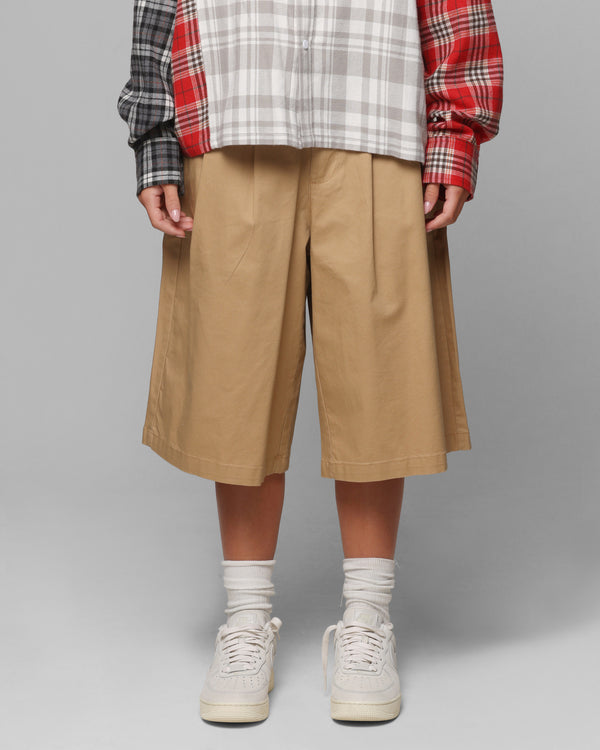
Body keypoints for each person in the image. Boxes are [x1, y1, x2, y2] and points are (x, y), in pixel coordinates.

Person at [117, 0, 503, 724]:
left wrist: (454, 137)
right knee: (234, 371)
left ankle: (368, 618)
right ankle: (245, 619)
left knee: (380, 370)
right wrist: (156, 140)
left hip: (375, 103)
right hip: (234, 105)